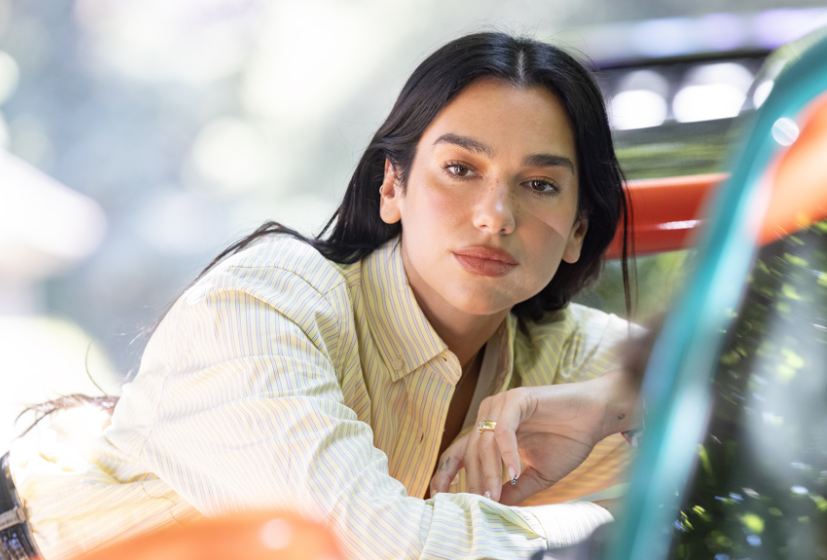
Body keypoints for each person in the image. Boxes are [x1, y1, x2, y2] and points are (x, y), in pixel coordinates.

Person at [2, 32, 641, 560]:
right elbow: (378, 547)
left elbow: (701, 372)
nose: (494, 216)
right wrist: (607, 530)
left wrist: (602, 407)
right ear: (392, 188)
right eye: (460, 169)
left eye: (539, 184)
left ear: (577, 230)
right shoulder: (267, 304)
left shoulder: (552, 351)